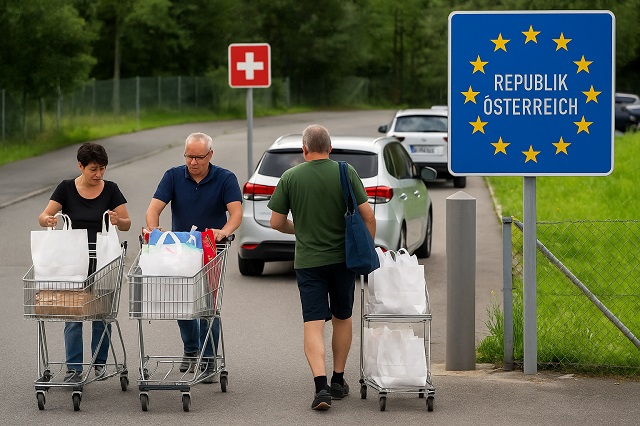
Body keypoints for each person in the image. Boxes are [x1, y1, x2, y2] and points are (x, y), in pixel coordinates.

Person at [268, 124, 376, 410]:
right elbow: (367, 215)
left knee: (313, 324)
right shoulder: (346, 171)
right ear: (330, 148)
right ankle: (338, 380)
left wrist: (299, 229)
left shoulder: (290, 177)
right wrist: (366, 247)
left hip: (309, 263)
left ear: (304, 149)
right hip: (344, 261)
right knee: (342, 318)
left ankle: (321, 388)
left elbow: (276, 222)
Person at [145, 132, 242, 383]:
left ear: (210, 155)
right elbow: (154, 208)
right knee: (182, 302)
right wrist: (154, 229)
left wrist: (224, 231)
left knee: (208, 306)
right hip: (182, 249)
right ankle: (191, 349)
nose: (193, 162)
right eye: (189, 156)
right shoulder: (173, 176)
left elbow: (236, 213)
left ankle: (209, 360)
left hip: (212, 248)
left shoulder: (225, 178)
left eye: (199, 157)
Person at [38, 142, 131, 383]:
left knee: (101, 315)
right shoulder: (66, 188)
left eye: (102, 168)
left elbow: (127, 223)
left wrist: (117, 219)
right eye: (93, 169)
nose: (99, 174)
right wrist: (48, 220)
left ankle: (99, 364)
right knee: (73, 316)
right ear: (80, 166)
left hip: (103, 260)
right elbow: (44, 215)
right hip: (74, 261)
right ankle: (74, 368)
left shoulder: (111, 189)